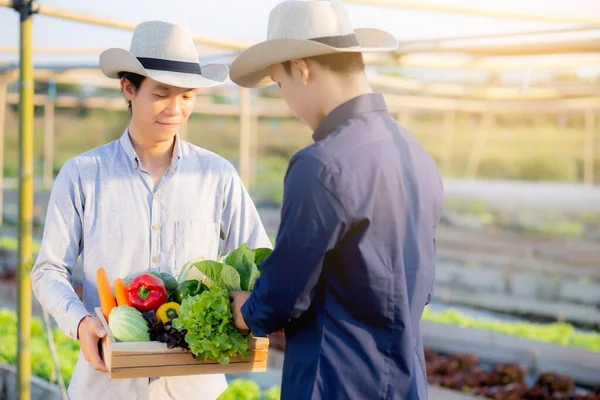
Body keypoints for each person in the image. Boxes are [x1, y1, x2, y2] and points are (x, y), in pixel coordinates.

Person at [31, 20, 271, 400]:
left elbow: (261, 259)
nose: (176, 110)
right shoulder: (83, 175)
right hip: (106, 385)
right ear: (129, 87)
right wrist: (80, 323)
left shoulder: (217, 175)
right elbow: (47, 271)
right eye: (162, 94)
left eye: (187, 96)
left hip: (195, 384)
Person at [228, 1, 444, 399]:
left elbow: (282, 298)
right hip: (406, 383)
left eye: (279, 83)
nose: (287, 102)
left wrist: (243, 308)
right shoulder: (418, 156)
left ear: (303, 67)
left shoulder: (322, 165)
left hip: (333, 385)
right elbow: (422, 287)